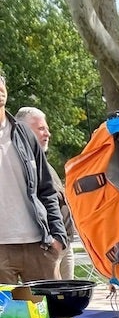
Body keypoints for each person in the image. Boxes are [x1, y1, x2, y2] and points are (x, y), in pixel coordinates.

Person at [0, 72, 66, 283]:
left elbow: (46, 189)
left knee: (53, 313)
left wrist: (57, 235)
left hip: (38, 244)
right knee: (5, 316)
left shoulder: (24, 134)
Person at [15, 106, 76, 279]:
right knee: (50, 302)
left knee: (67, 302)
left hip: (63, 243)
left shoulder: (45, 166)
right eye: (41, 128)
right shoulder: (18, 165)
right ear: (24, 130)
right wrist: (51, 241)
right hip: (46, 248)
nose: (47, 134)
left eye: (47, 129)